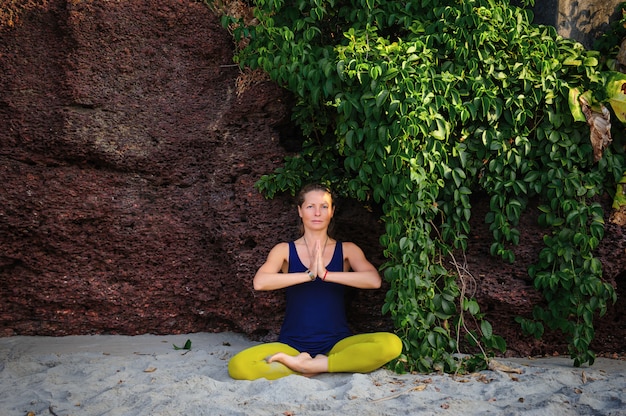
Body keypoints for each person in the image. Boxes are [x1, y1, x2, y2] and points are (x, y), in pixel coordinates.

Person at [228, 183, 402, 380]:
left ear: (332, 211)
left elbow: (373, 280)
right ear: (300, 211)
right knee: (238, 366)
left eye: (324, 206)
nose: (317, 212)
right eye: (310, 206)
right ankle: (309, 363)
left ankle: (314, 365)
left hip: (336, 345)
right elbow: (260, 282)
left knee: (391, 344)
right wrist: (309, 275)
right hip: (292, 345)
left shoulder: (347, 250)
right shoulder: (284, 250)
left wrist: (326, 274)